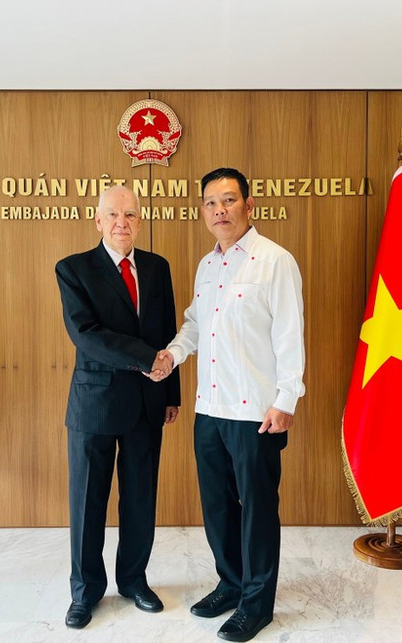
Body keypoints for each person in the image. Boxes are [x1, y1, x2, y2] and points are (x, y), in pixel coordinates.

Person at [157, 167, 305, 642]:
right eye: (211, 203)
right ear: (203, 212)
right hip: (210, 409)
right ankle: (232, 582)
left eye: (228, 200)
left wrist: (286, 400)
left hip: (257, 413)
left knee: (257, 508)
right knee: (217, 505)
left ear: (248, 206)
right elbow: (195, 326)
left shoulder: (275, 261)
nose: (219, 210)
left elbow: (289, 337)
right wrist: (171, 355)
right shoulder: (207, 266)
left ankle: (257, 604)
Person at [55, 185, 180, 629]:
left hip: (149, 404)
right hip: (95, 405)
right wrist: (147, 360)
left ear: (139, 219)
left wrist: (171, 393)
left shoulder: (157, 267)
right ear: (97, 220)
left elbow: (166, 331)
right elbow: (86, 334)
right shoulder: (73, 269)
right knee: (88, 503)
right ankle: (85, 592)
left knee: (141, 499)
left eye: (129, 214)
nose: (121, 222)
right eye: (112, 214)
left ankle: (133, 581)